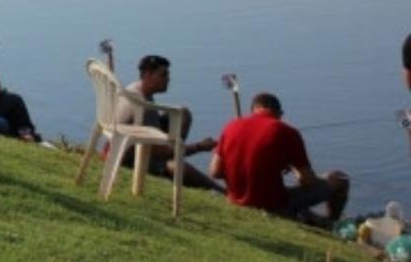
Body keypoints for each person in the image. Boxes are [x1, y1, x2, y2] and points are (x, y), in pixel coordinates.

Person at [210, 92, 349, 225]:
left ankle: (308, 217)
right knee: (340, 180)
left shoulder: (230, 126)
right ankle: (331, 222)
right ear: (279, 113)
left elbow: (214, 172)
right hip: (273, 205)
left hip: (235, 200)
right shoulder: (288, 132)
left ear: (253, 109)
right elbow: (307, 180)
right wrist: (294, 168)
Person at [114, 55, 222, 191]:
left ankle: (175, 151)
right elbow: (160, 153)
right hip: (132, 159)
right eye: (163, 75)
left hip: (133, 140)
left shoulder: (134, 88)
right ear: (147, 75)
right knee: (178, 167)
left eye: (168, 75)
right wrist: (200, 146)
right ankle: (221, 191)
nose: (168, 79)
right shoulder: (144, 107)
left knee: (183, 114)